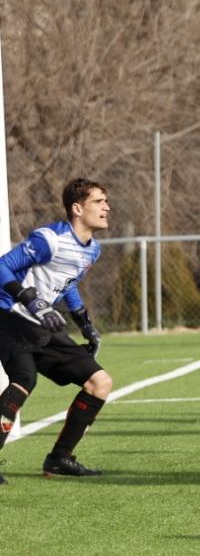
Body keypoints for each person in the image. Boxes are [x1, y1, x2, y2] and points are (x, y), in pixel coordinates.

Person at [0, 179, 116, 480]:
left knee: (100, 382)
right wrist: (29, 298)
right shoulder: (49, 239)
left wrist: (85, 325)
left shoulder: (92, 250)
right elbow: (2, 266)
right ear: (77, 208)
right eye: (98, 201)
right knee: (25, 378)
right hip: (8, 314)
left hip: (40, 323)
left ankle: (59, 460)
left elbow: (67, 283)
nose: (106, 207)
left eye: (106, 201)